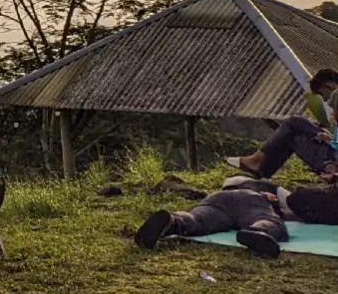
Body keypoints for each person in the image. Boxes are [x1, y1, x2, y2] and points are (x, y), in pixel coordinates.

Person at [226, 68, 338, 181]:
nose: (325, 100)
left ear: (329, 86)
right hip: (331, 156)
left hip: (331, 163)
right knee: (294, 131)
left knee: (294, 124)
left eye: (322, 95)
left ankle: (258, 164)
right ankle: (260, 170)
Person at [134, 186, 289, 260]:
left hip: (215, 198)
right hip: (252, 197)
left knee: (197, 220)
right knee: (270, 221)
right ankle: (258, 231)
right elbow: (281, 201)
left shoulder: (233, 181)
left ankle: (172, 221)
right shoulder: (270, 189)